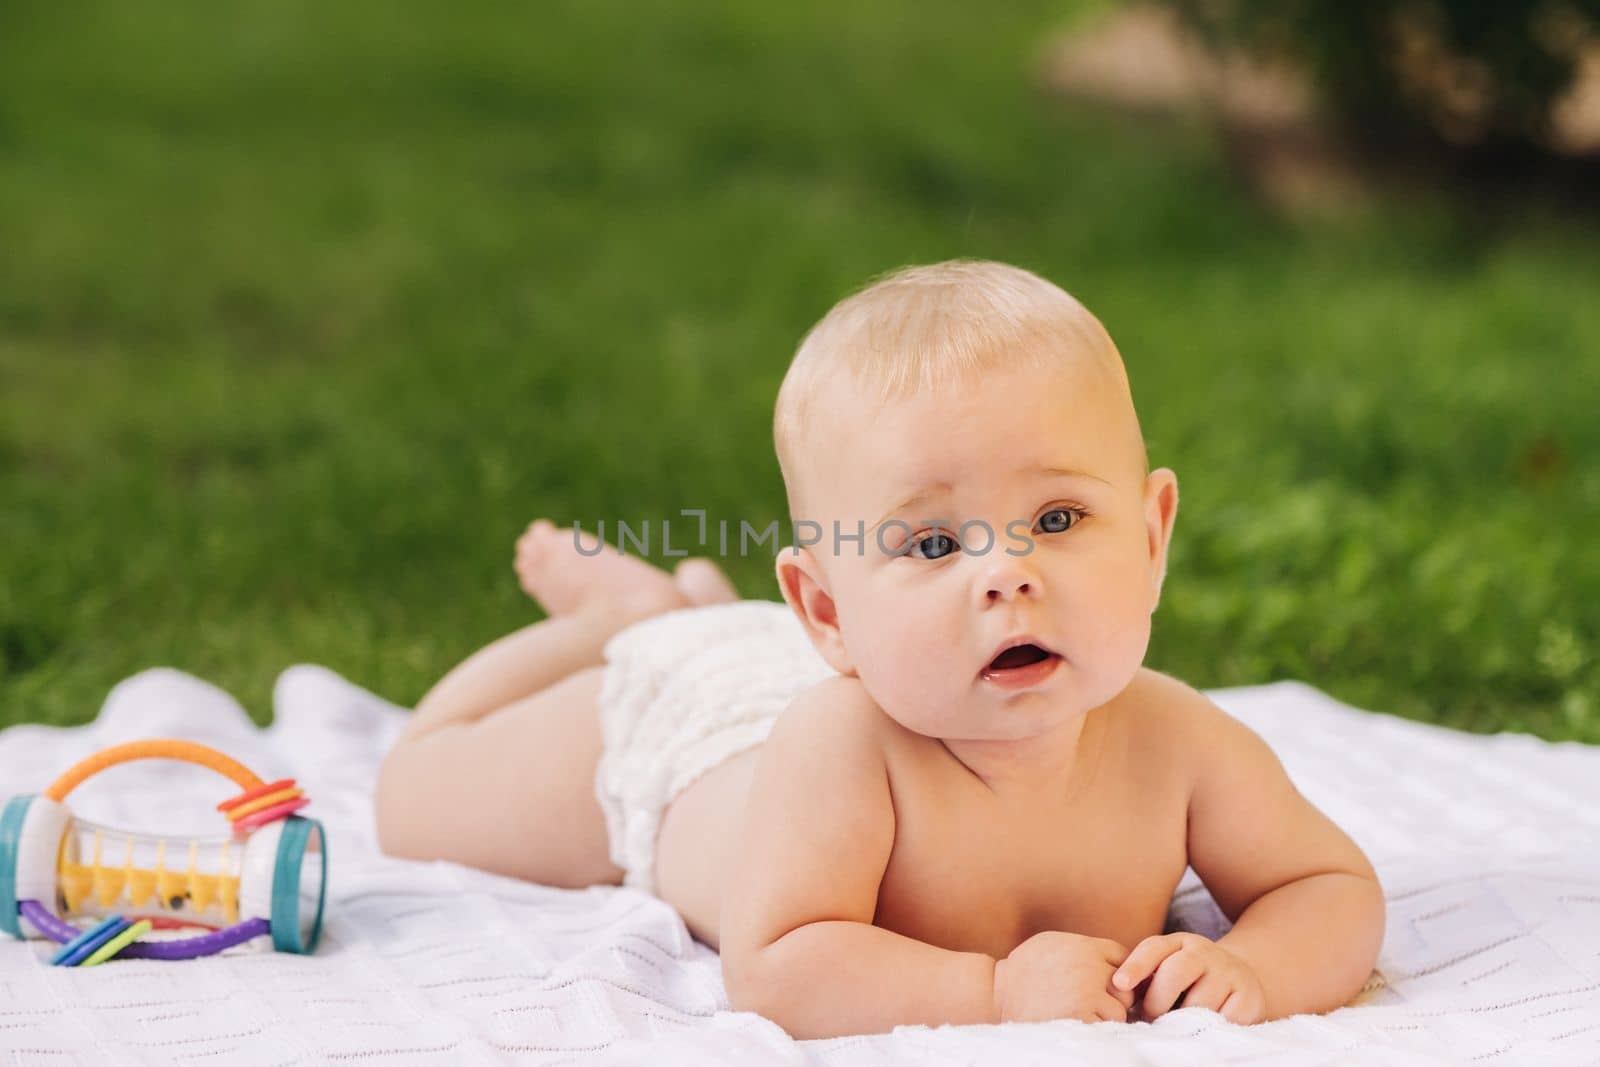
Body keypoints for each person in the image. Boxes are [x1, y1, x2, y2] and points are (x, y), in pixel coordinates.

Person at [374, 260, 1385, 1038]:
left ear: (1154, 536)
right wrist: (991, 987)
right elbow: (775, 961)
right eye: (935, 542)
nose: (1006, 571)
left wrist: (1256, 966)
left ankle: (676, 602)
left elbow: (1326, 888)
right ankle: (626, 621)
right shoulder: (839, 745)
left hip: (805, 656)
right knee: (410, 796)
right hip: (689, 733)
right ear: (828, 612)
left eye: (1061, 514)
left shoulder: (1178, 741)